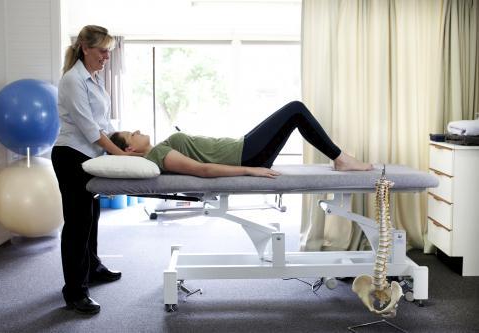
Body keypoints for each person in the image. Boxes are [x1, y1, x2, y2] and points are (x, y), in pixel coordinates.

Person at [51, 25, 136, 315]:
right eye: (102, 51)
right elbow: (90, 130)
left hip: (91, 157)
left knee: (92, 216)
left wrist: (123, 145)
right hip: (71, 156)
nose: (106, 57)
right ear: (85, 48)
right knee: (77, 223)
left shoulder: (95, 78)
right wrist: (125, 159)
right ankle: (75, 292)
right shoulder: (73, 80)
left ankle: (94, 267)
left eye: (109, 52)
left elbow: (105, 125)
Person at [109, 101, 373, 178]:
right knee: (295, 109)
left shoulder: (160, 149)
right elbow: (203, 170)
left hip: (244, 147)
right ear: (130, 148)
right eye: (132, 134)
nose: (139, 130)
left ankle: (340, 158)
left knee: (295, 113)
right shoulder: (159, 155)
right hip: (245, 154)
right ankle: (341, 159)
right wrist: (249, 170)